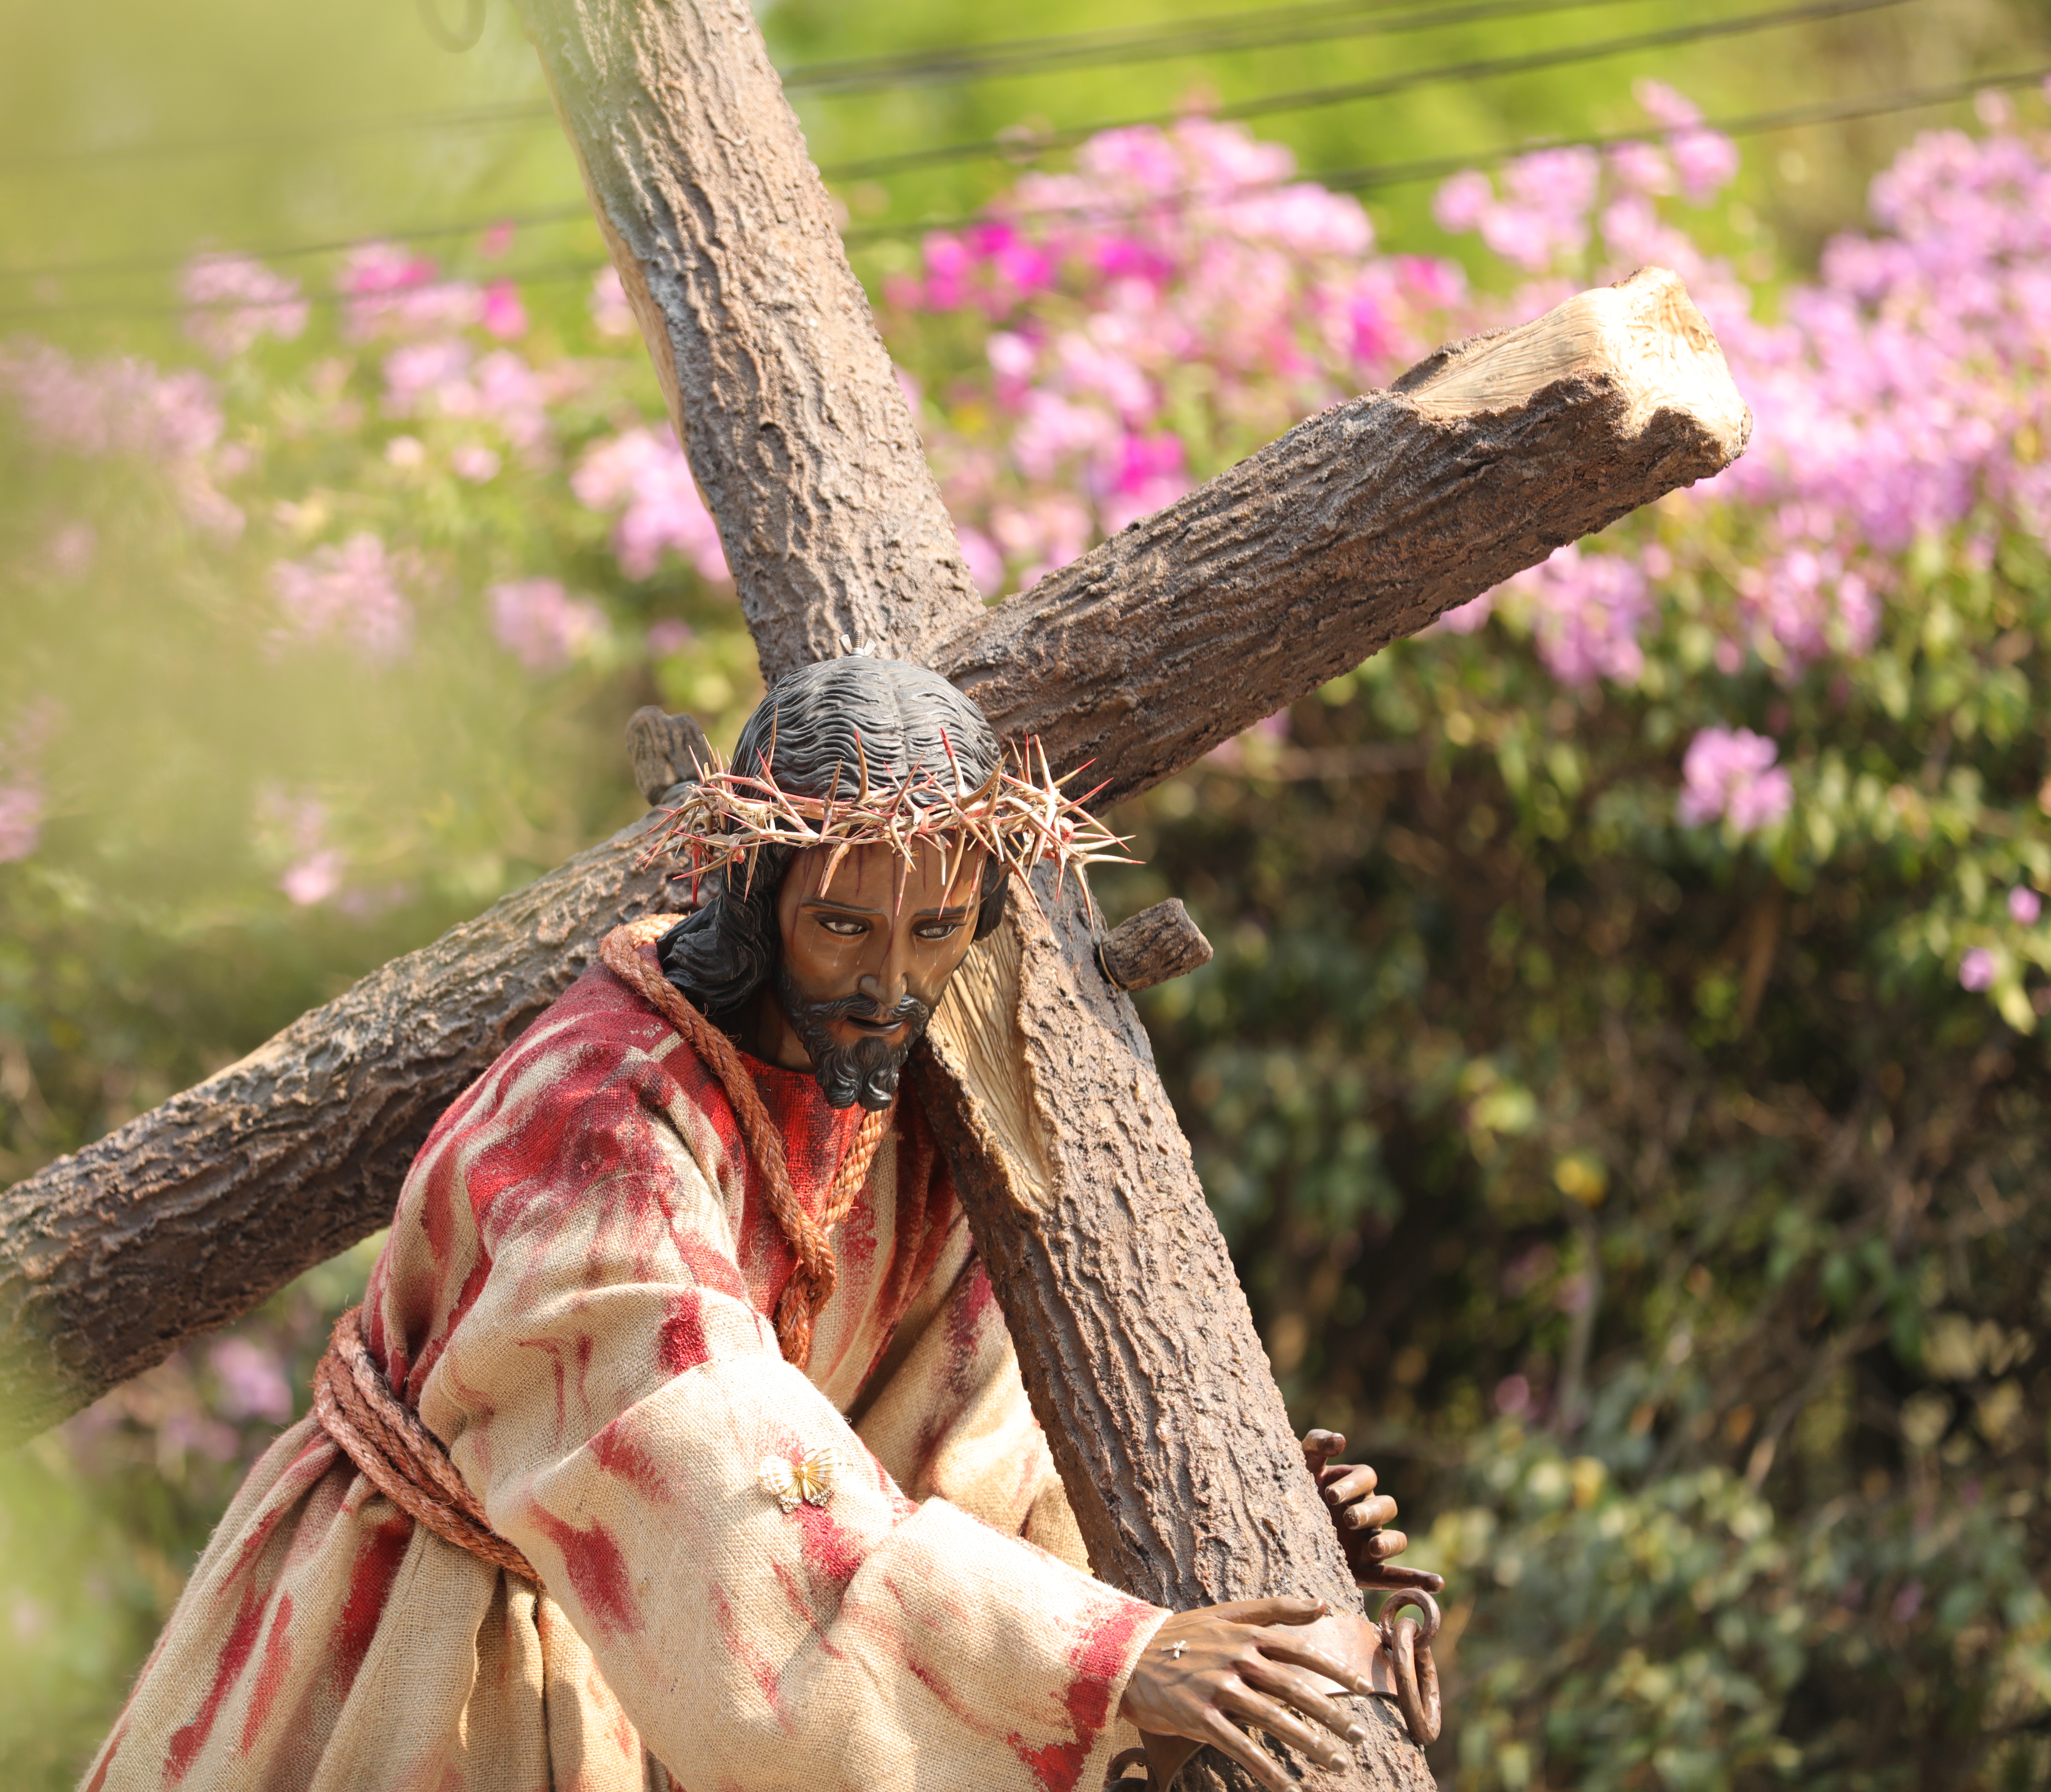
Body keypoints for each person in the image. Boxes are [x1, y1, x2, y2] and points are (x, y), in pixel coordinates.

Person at [84, 657, 1429, 1792]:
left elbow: (970, 1441)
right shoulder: (597, 1114)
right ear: (757, 891)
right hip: (434, 1652)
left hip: (683, 1666)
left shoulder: (915, 1110)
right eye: (843, 925)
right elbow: (712, 1469)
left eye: (936, 930)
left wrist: (1241, 1536)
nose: (888, 981)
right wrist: (1102, 1658)